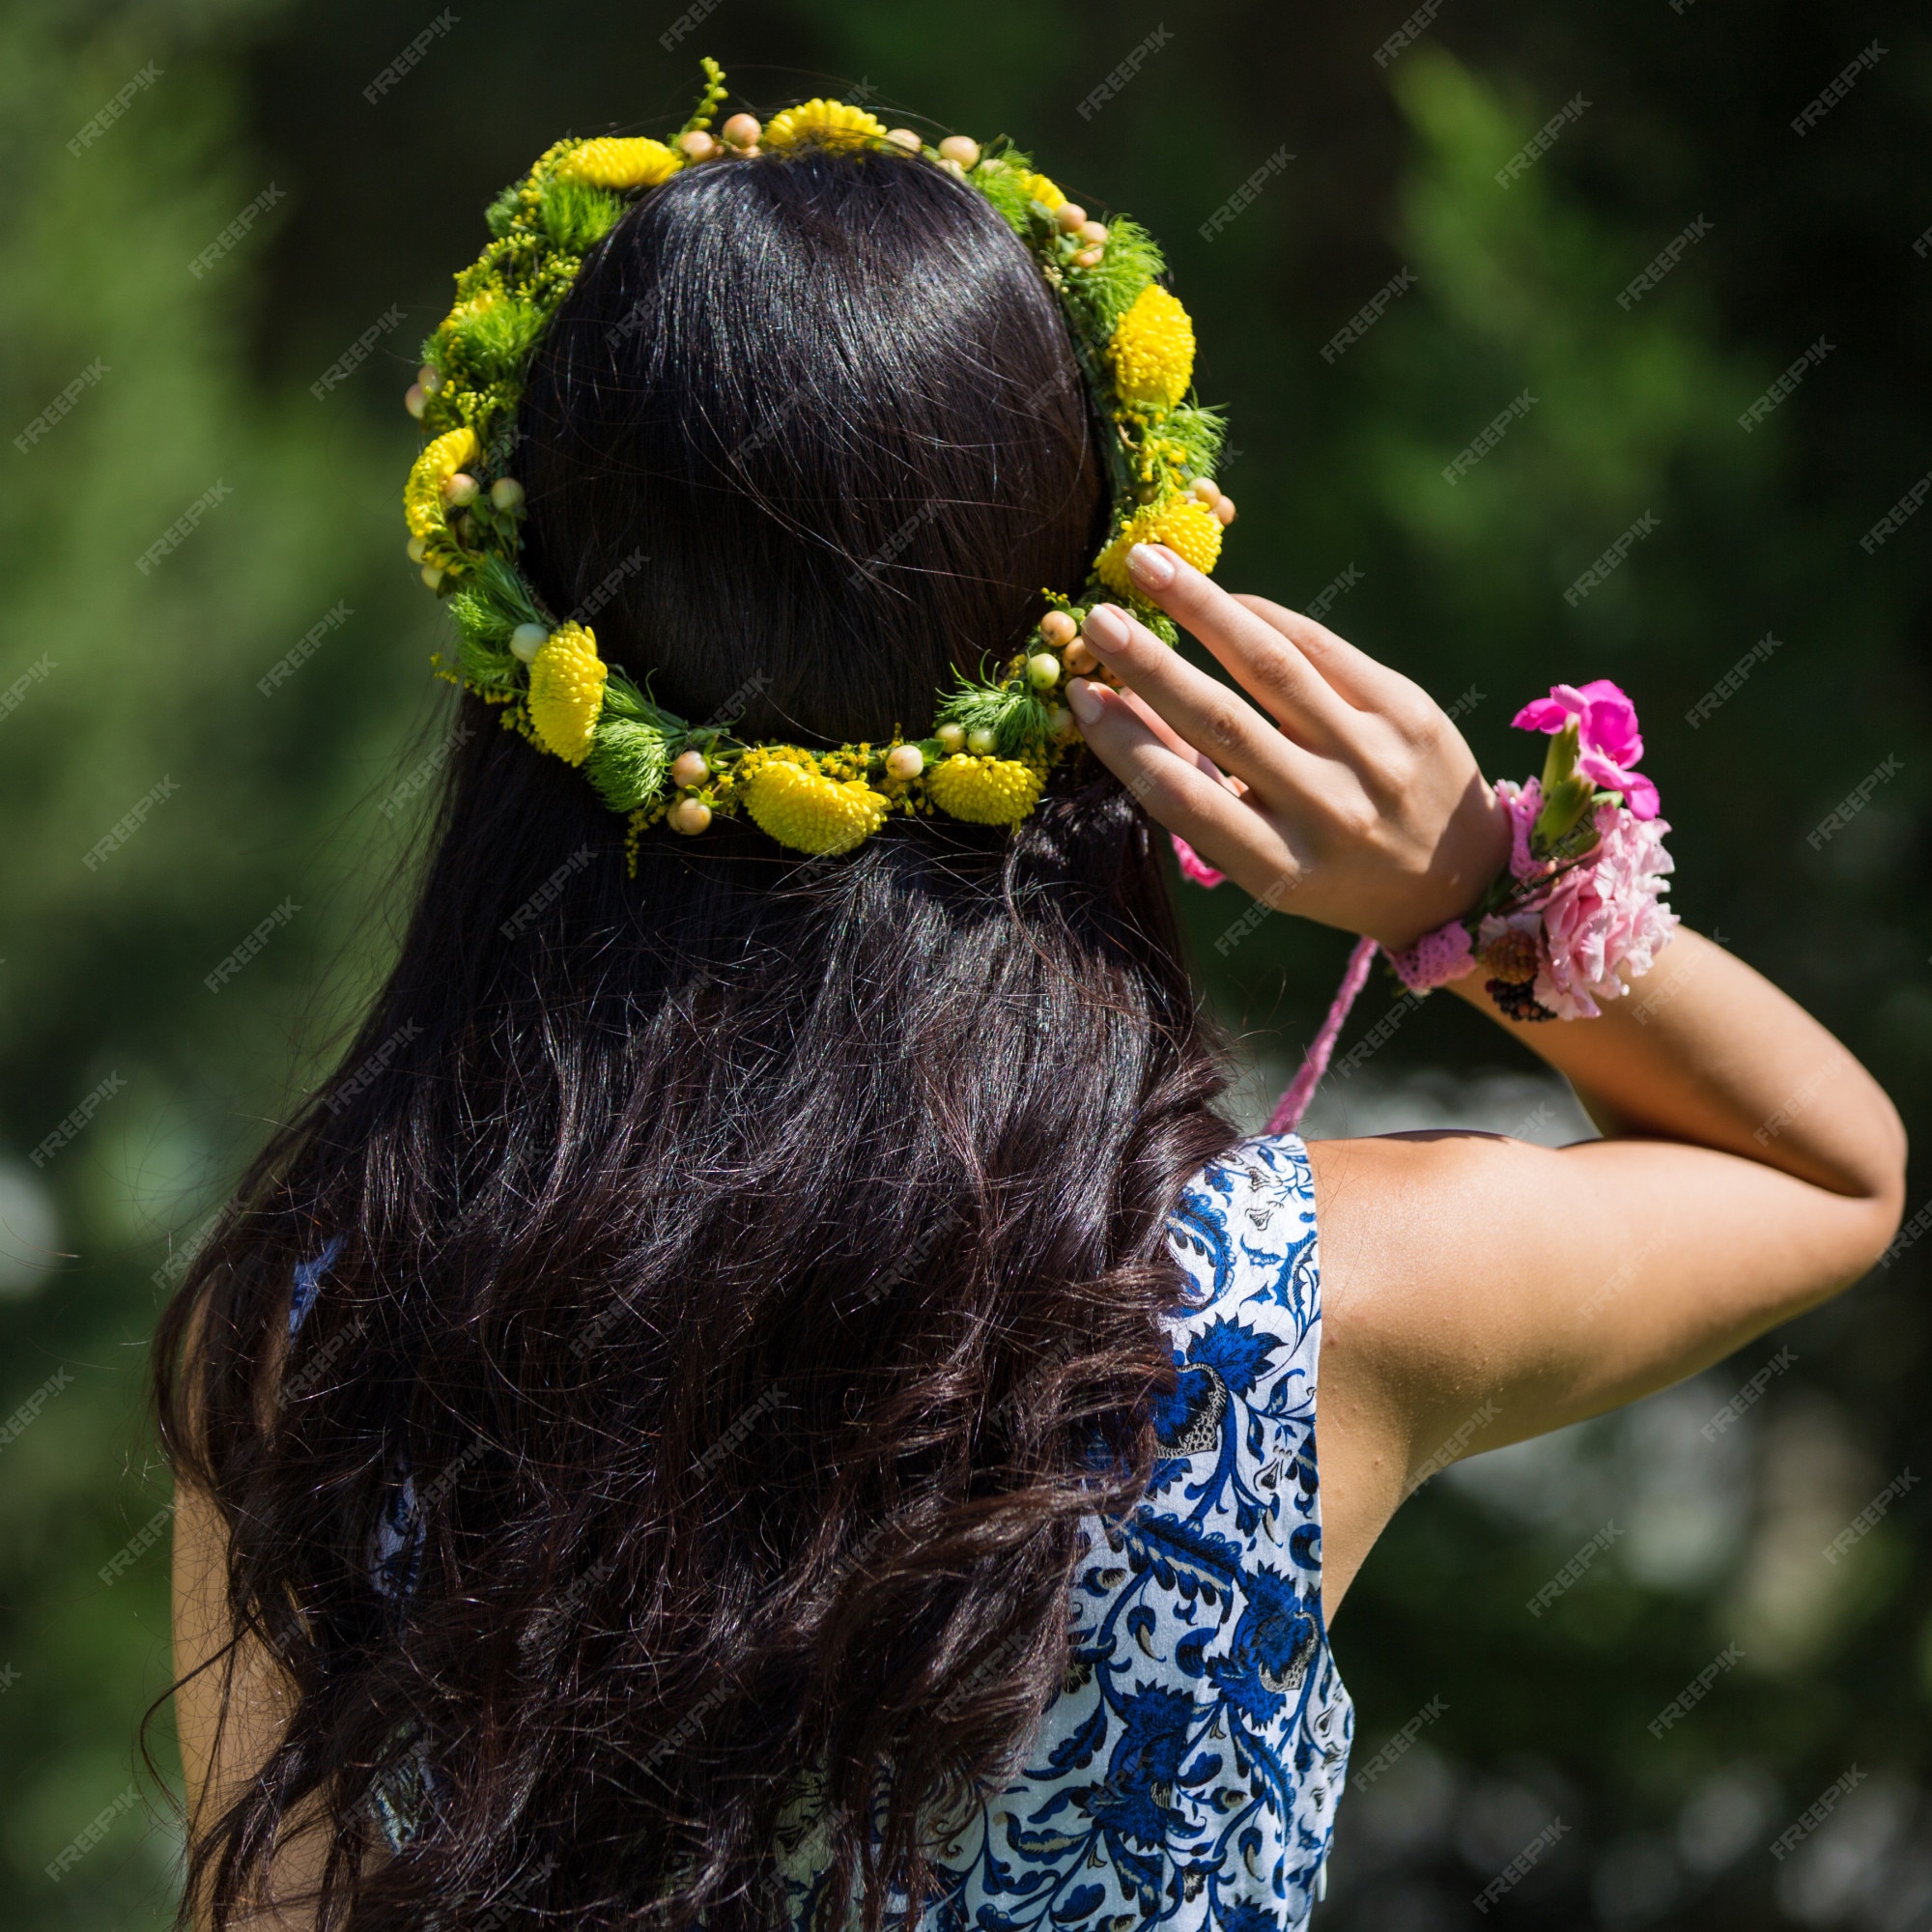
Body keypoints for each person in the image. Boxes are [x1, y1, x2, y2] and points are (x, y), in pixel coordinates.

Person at [159, 90, 1906, 1932]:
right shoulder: (1282, 1319)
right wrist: (1474, 884)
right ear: (1082, 652)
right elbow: (1825, 1172)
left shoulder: (320, 1322)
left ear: (536, 651)